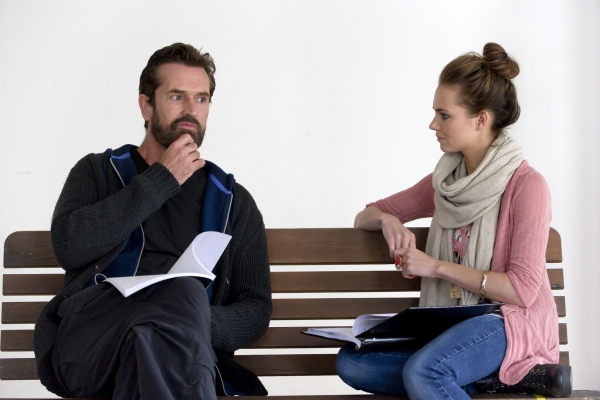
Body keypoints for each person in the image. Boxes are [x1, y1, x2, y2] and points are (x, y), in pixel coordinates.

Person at [33, 43, 272, 399]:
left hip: (174, 350)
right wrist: (162, 180)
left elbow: (255, 306)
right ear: (147, 105)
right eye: (177, 96)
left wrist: (191, 320)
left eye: (201, 99)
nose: (191, 110)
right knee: (182, 294)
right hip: (90, 346)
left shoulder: (232, 201)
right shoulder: (97, 173)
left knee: (160, 328)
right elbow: (70, 247)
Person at [336, 43, 570, 399]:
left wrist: (436, 267)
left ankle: (491, 372)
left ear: (480, 119)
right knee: (353, 363)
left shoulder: (527, 186)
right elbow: (363, 216)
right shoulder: (446, 183)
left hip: (507, 323)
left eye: (444, 115)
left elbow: (521, 290)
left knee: (426, 371)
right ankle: (493, 379)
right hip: (452, 328)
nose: (433, 124)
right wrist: (388, 221)